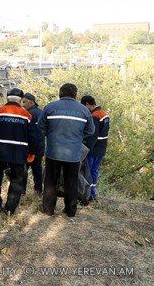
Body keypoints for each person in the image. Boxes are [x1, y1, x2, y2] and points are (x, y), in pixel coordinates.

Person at [0, 87, 43, 216]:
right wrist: (33, 152)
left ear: (7, 98)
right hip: (18, 152)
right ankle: (10, 208)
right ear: (22, 100)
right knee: (17, 180)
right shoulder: (27, 116)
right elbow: (34, 137)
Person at [39, 83, 95, 218]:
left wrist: (51, 135)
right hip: (74, 153)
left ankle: (48, 209)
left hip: (53, 151)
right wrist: (77, 137)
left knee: (51, 181)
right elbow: (90, 130)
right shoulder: (84, 110)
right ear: (76, 96)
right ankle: (70, 211)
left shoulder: (50, 107)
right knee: (72, 182)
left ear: (60, 94)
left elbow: (40, 127)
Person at [80, 95, 110, 202]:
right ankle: (93, 193)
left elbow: (93, 134)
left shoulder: (95, 116)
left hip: (93, 149)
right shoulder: (104, 114)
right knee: (94, 171)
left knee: (88, 172)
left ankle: (88, 195)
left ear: (87, 104)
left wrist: (86, 149)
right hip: (101, 148)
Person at [21, 92, 44, 195]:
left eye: (24, 102)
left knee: (23, 171)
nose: (23, 105)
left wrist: (30, 150)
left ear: (31, 102)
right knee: (37, 170)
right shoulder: (41, 112)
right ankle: (38, 192)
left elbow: (30, 134)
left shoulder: (29, 114)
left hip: (30, 149)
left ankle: (22, 192)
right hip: (40, 147)